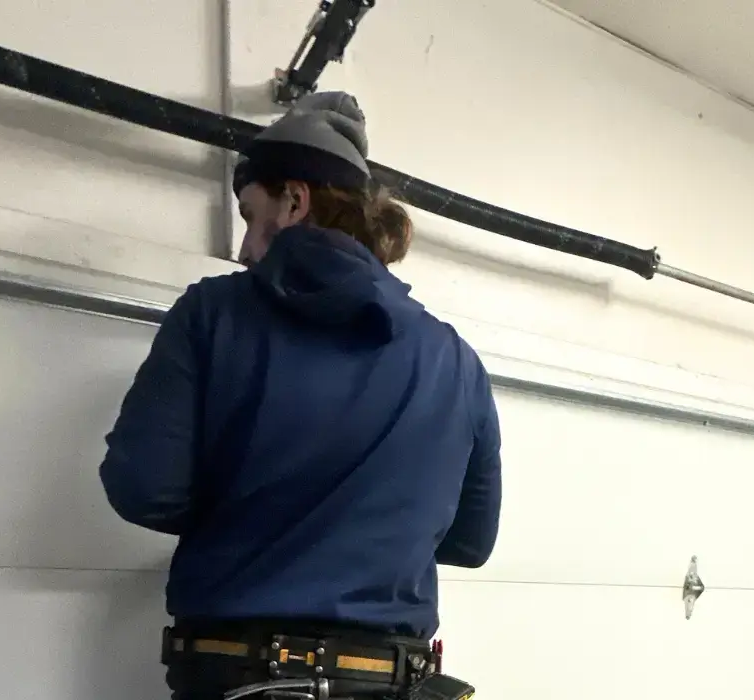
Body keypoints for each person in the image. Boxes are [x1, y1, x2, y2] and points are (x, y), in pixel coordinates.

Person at [98, 91, 502, 700]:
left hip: (239, 676)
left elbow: (143, 491)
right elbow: (471, 543)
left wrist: (249, 514)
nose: (242, 248)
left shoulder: (213, 315)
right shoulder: (455, 359)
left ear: (294, 200)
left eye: (248, 213)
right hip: (393, 684)